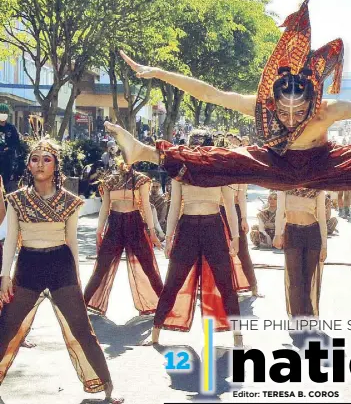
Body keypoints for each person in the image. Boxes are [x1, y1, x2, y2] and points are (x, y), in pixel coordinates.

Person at [105, 0, 351, 192]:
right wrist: (158, 73)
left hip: (323, 163)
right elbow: (210, 93)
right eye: (286, 112)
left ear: (312, 101)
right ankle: (144, 152)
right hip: (274, 162)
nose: (293, 117)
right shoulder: (260, 105)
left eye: (301, 111)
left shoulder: (327, 111)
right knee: (220, 159)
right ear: (273, 102)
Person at [0, 139, 123, 403]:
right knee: (7, 326)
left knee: (82, 329)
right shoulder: (16, 199)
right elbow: (11, 240)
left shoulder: (69, 201)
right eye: (35, 159)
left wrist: (77, 276)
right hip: (28, 265)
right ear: (28, 165)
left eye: (47, 159)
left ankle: (108, 386)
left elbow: (72, 241)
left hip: (61, 265)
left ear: (56, 165)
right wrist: (5, 276)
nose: (40, 164)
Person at [143, 131, 243, 347]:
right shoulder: (180, 172)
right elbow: (174, 207)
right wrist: (169, 237)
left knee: (225, 281)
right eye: (193, 147)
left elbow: (230, 206)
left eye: (201, 147)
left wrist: (235, 237)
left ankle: (238, 336)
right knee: (173, 281)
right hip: (187, 228)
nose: (197, 151)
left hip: (213, 227)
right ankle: (155, 332)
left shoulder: (220, 171)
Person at [83, 160, 164, 316]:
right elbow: (105, 207)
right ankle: (82, 304)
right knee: (101, 267)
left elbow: (146, 206)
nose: (124, 163)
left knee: (148, 267)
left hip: (135, 223)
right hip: (114, 224)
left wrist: (152, 232)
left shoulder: (141, 180)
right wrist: (98, 231)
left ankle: (165, 305)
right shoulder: (109, 180)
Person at [274, 188, 327, 317]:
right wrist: (277, 234)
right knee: (294, 279)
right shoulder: (285, 188)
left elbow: (321, 217)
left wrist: (324, 245)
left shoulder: (317, 190)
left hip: (312, 234)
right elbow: (280, 211)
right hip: (292, 233)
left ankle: (308, 315)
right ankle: (296, 316)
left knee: (307, 278)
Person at [0, 104, 20, 190]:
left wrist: (9, 149)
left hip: (7, 159)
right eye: (1, 112)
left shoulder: (11, 128)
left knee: (6, 181)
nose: (3, 114)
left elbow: (16, 143)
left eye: (5, 113)